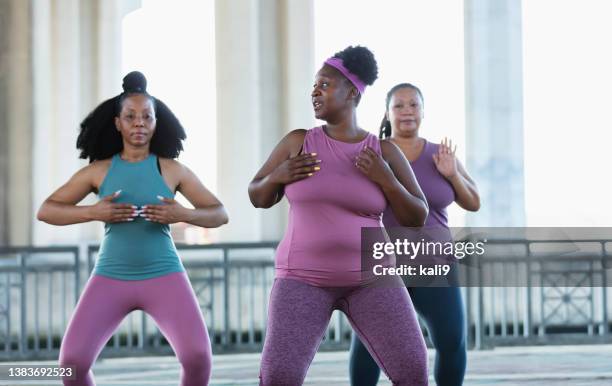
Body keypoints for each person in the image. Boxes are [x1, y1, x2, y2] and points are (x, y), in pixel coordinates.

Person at [249, 47, 430, 385]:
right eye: (314, 86)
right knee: (279, 376)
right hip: (301, 279)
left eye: (324, 84)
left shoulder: (384, 151)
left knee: (413, 370)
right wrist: (279, 175)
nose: (315, 92)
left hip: (373, 281)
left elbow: (417, 216)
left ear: (351, 91)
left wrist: (386, 180)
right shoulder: (297, 143)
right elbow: (258, 195)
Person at [37, 71, 228, 386]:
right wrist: (94, 212)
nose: (139, 123)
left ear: (155, 123)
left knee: (197, 358)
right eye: (130, 116)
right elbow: (47, 211)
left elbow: (219, 214)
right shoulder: (98, 171)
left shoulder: (171, 170)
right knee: (71, 363)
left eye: (146, 117)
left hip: (164, 273)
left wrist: (181, 213)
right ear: (117, 123)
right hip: (111, 275)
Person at [349, 83, 481, 386]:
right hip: (385, 265)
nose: (407, 111)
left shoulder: (441, 154)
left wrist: (452, 174)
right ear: (387, 112)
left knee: (451, 340)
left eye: (413, 105)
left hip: (435, 264)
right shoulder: (372, 155)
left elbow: (473, 202)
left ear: (423, 111)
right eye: (399, 105)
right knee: (369, 344)